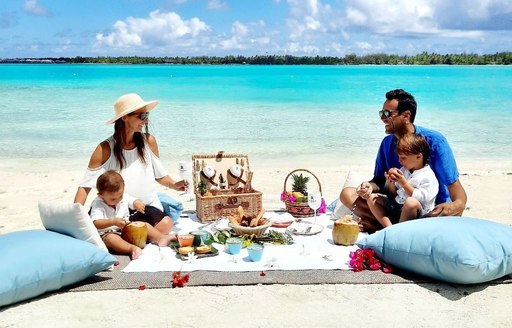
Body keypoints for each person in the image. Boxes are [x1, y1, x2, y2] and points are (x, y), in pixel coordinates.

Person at [340, 89, 467, 233]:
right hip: (398, 204)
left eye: (387, 114)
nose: (382, 118)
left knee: (419, 206)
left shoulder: (435, 141)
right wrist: (369, 187)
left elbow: (455, 188)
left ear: (406, 116)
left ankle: (384, 227)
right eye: (381, 113)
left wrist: (457, 205)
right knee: (347, 194)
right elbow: (378, 181)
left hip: (428, 210)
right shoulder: (387, 143)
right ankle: (394, 228)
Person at [74, 93, 188, 233]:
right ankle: (125, 233)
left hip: (145, 207)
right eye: (141, 116)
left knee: (166, 224)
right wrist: (74, 218)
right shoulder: (105, 148)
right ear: (125, 117)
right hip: (117, 210)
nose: (145, 121)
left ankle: (122, 234)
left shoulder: (148, 141)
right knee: (134, 230)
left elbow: (160, 175)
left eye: (146, 116)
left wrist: (175, 185)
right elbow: (85, 186)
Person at [90, 170, 176, 260]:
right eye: (113, 199)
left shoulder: (123, 197)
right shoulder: (98, 204)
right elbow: (96, 223)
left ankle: (161, 238)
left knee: (144, 225)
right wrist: (113, 221)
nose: (118, 200)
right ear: (101, 195)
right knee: (111, 239)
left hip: (126, 228)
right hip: (108, 232)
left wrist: (137, 203)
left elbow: (132, 200)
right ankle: (131, 249)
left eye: (120, 196)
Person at [365, 134, 439, 228]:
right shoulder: (405, 170)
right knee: (372, 198)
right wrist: (390, 182)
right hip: (399, 206)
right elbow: (394, 194)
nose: (400, 161)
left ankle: (399, 230)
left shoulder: (428, 176)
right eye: (399, 157)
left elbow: (420, 198)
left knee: (410, 202)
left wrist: (403, 182)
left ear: (418, 156)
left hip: (418, 213)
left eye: (403, 158)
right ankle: (389, 228)